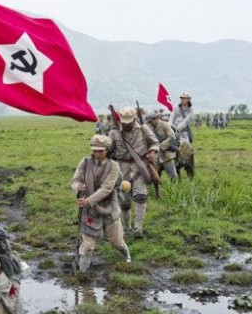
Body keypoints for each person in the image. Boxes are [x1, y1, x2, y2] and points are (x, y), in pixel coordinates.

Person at [71, 134, 131, 272]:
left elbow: (107, 189)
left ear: (107, 150)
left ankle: (127, 255)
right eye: (94, 150)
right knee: (88, 245)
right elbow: (74, 180)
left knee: (116, 241)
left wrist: (88, 200)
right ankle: (82, 273)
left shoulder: (113, 166)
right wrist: (77, 186)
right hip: (89, 211)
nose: (97, 153)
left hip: (109, 207)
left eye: (101, 151)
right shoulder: (85, 163)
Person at [108, 106, 159, 238]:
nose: (126, 124)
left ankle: (138, 229)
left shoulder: (143, 129)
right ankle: (126, 228)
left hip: (140, 167)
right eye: (123, 122)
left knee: (141, 197)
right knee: (124, 202)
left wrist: (152, 152)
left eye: (128, 121)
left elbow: (154, 143)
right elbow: (108, 151)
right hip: (121, 169)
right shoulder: (114, 133)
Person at [146, 112, 178, 181]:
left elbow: (172, 137)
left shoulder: (164, 125)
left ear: (156, 119)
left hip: (166, 155)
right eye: (148, 122)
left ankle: (176, 190)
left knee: (172, 176)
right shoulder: (149, 127)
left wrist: (160, 146)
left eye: (151, 121)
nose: (150, 123)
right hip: (155, 156)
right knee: (154, 175)